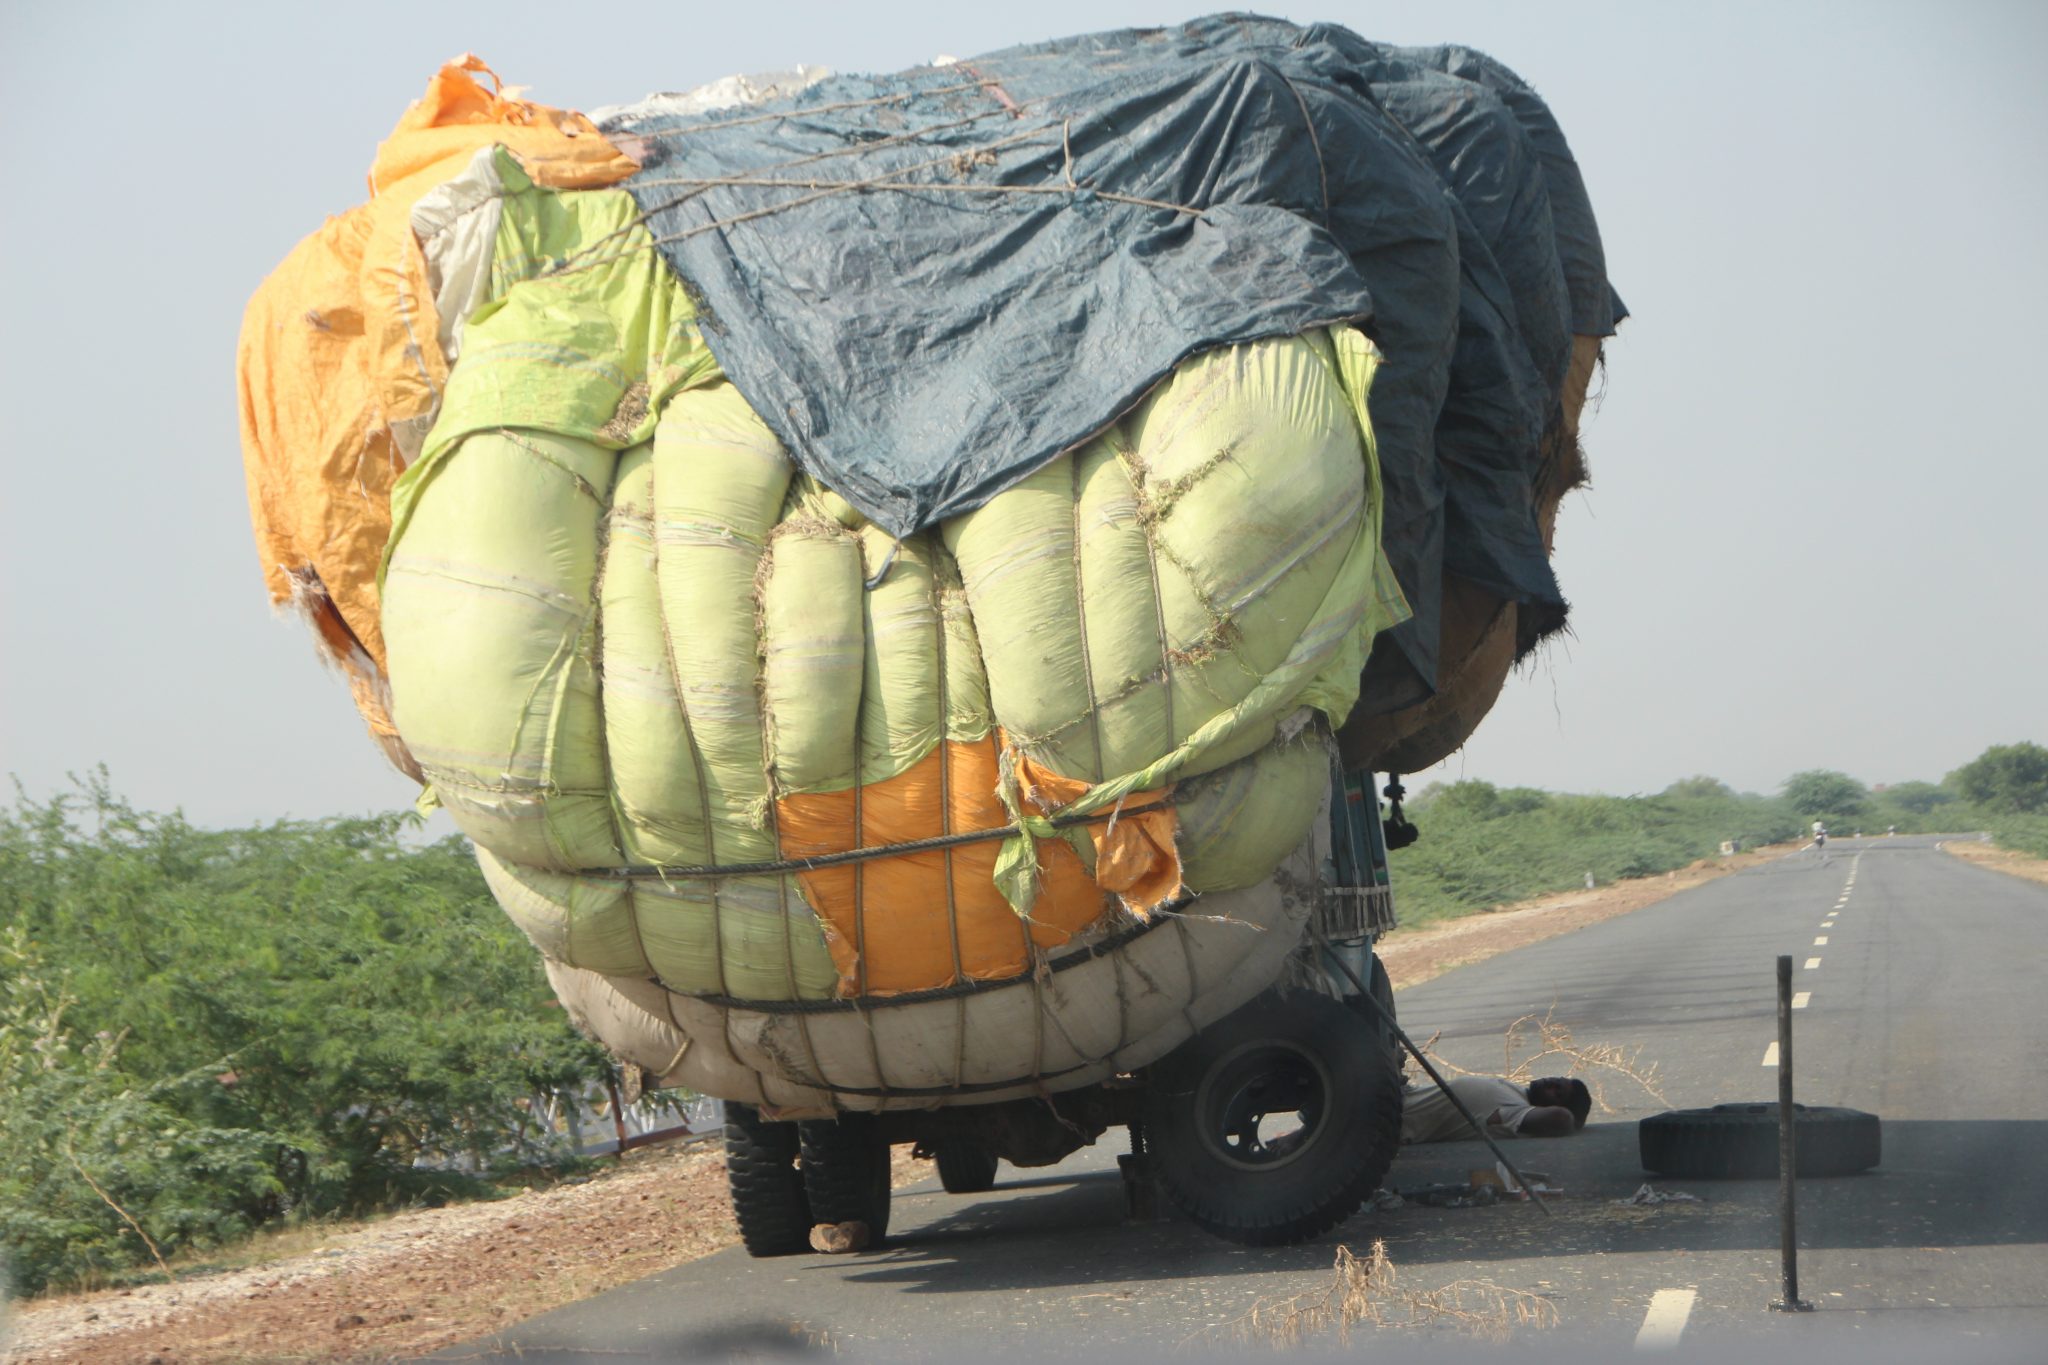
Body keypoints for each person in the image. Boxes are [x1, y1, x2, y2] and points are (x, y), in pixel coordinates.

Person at [1400, 1075, 1591, 1144]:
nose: (1551, 1083)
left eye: (1557, 1093)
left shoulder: (1515, 1113)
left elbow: (1561, 1118)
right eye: (1557, 1080)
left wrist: (1576, 1123)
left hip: (1394, 1119)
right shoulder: (1518, 1092)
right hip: (1399, 1094)